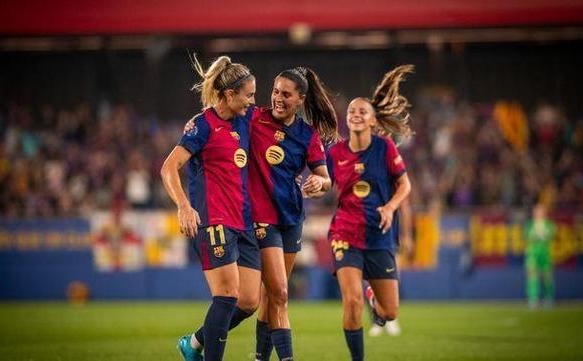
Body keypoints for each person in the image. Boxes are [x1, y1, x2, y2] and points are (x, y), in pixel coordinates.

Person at [161, 55, 259, 361]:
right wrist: (184, 206)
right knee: (227, 295)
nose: (252, 101)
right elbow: (168, 168)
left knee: (249, 302)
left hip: (244, 222)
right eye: (249, 95)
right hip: (213, 221)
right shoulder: (202, 125)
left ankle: (193, 344)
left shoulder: (246, 119)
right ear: (230, 94)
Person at [322, 65, 414, 360]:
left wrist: (389, 206)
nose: (356, 114)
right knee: (351, 302)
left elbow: (405, 185)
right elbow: (324, 179)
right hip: (345, 234)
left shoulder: (385, 148)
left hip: (379, 237)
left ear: (373, 120)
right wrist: (317, 184)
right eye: (351, 111)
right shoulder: (335, 153)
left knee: (389, 312)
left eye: (363, 111)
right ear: (346, 118)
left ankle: (377, 299)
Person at [248, 67, 338, 361]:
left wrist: (319, 182)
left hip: (291, 221)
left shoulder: (307, 135)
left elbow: (325, 178)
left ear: (300, 99)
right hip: (262, 219)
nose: (278, 98)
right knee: (281, 295)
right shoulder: (252, 118)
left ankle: (260, 358)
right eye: (275, 91)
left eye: (286, 94)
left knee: (271, 298)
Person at [367, 196, 414, 337]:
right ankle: (378, 320)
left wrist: (407, 235)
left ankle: (391, 318)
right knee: (370, 281)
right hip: (368, 233)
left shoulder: (395, 178)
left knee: (393, 278)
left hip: (390, 237)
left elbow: (405, 208)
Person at [524, 203, 557, 309]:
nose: (538, 213)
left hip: (545, 254)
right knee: (532, 277)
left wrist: (540, 235)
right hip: (533, 254)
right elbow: (527, 236)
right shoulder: (529, 225)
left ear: (544, 213)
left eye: (540, 211)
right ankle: (533, 299)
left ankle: (549, 298)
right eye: (536, 211)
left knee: (547, 277)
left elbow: (552, 235)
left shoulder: (549, 225)